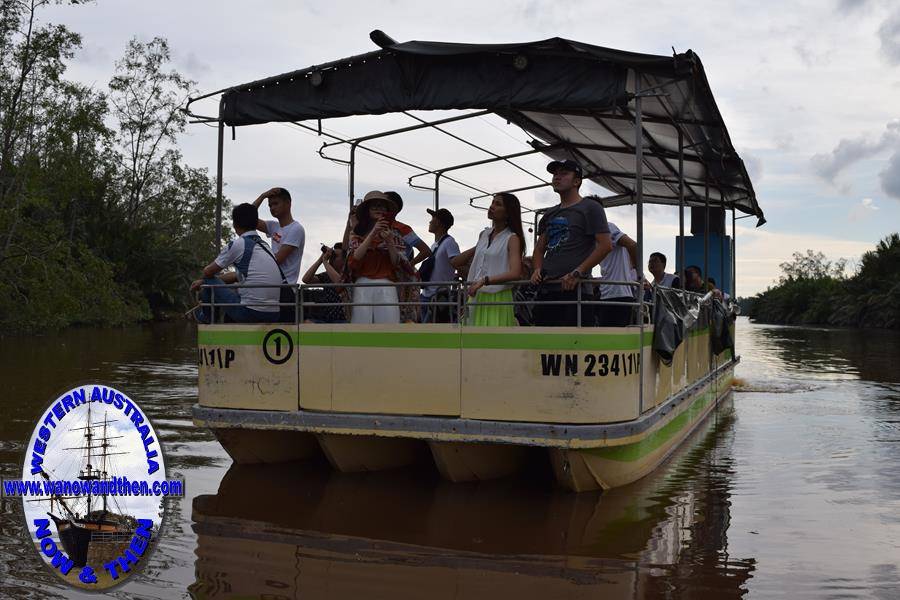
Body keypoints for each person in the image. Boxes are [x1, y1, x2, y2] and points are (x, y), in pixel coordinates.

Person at [531, 159, 613, 326]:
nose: (557, 177)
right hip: (546, 289)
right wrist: (537, 269)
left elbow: (605, 245)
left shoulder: (591, 208)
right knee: (542, 347)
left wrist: (578, 272)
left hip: (577, 291)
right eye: (555, 174)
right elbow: (539, 249)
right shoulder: (550, 213)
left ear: (577, 181)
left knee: (575, 347)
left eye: (564, 173)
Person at [190, 203, 283, 323]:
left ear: (235, 224)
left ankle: (207, 317)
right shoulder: (265, 246)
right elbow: (236, 276)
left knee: (209, 279)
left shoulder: (239, 244)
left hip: (250, 312)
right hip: (274, 314)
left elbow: (208, 272)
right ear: (255, 224)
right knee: (210, 280)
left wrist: (203, 281)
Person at [451, 193, 525, 327]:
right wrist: (479, 247)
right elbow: (455, 262)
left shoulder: (512, 238)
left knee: (493, 342)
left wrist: (484, 281)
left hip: (498, 296)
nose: (492, 207)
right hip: (476, 295)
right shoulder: (484, 235)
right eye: (492, 202)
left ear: (508, 212)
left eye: (498, 204)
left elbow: (515, 273)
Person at [346, 191, 410, 324]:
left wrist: (389, 242)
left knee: (389, 327)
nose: (378, 209)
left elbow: (396, 264)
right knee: (361, 327)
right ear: (367, 211)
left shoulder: (395, 233)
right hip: (363, 284)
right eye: (374, 206)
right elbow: (354, 260)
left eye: (382, 206)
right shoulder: (356, 233)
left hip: (387, 284)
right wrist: (373, 233)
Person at [385, 191, 430, 323]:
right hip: (384, 277)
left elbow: (425, 250)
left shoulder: (402, 228)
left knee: (404, 315)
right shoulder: (372, 228)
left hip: (401, 280)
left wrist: (409, 265)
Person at [251, 187, 305, 284]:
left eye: (275, 203)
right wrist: (263, 196)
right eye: (270, 205)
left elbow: (277, 260)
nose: (272, 208)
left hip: (284, 286)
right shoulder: (273, 226)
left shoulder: (296, 229)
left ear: (288, 203)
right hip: (271, 281)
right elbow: (247, 218)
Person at [419, 208, 460, 323]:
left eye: (433, 218)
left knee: (429, 331)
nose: (430, 222)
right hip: (427, 296)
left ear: (439, 222)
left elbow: (458, 263)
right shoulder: (434, 245)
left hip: (438, 297)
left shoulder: (450, 242)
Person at [596, 218, 639, 327]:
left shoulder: (607, 228)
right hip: (607, 293)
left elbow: (633, 245)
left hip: (618, 293)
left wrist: (635, 269)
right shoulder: (592, 234)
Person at [301, 243, 349, 323]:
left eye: (336, 256)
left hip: (343, 318)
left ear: (344, 260)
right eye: (332, 256)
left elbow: (339, 282)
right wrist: (321, 259)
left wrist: (325, 262)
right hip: (326, 318)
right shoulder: (326, 275)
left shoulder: (348, 274)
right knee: (307, 323)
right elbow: (306, 279)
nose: (332, 258)